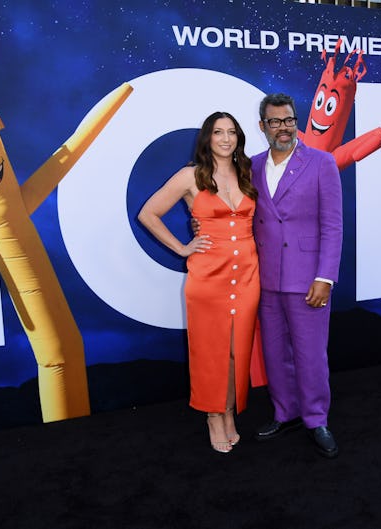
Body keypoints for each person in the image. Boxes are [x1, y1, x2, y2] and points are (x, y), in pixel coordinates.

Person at [137, 112, 259, 454]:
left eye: (231, 132)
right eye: (218, 132)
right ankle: (213, 416)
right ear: (207, 138)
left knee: (237, 352)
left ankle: (229, 412)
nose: (225, 138)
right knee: (211, 353)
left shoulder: (248, 172)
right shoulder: (191, 176)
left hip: (249, 274)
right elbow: (148, 213)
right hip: (208, 276)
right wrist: (182, 247)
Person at [250, 93, 343, 458]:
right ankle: (285, 412)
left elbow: (333, 226)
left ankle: (316, 418)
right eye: (275, 122)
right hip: (265, 279)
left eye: (288, 120)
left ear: (296, 122)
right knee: (274, 353)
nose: (283, 128)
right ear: (263, 127)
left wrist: (326, 277)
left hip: (309, 279)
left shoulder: (321, 163)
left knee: (310, 354)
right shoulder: (252, 166)